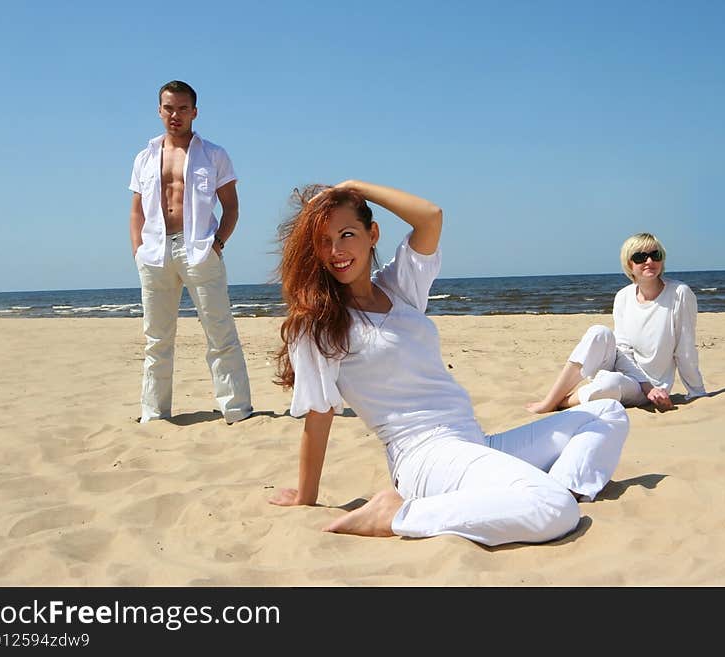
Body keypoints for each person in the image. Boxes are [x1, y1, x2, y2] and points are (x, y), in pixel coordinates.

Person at [268, 180, 629, 546]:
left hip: (473, 441)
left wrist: (353, 187)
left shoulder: (399, 287)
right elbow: (319, 414)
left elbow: (430, 218)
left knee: (606, 414)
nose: (336, 251)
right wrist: (305, 496)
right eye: (324, 241)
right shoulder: (320, 323)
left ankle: (565, 486)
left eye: (347, 234)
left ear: (372, 233)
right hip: (424, 458)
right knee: (554, 510)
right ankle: (396, 514)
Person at [128, 80, 253, 424]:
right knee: (157, 339)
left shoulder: (213, 154)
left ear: (194, 112)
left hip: (198, 249)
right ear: (159, 111)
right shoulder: (144, 157)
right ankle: (154, 414)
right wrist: (138, 249)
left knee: (220, 333)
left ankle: (237, 410)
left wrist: (217, 244)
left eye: (183, 108)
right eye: (169, 108)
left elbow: (231, 208)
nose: (176, 115)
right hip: (155, 253)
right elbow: (136, 210)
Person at [526, 232, 707, 415]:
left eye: (655, 255)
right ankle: (550, 400)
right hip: (623, 368)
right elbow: (622, 348)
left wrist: (696, 392)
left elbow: (685, 349)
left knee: (611, 384)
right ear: (629, 264)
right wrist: (643, 384)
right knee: (599, 332)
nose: (649, 261)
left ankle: (562, 403)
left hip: (652, 388)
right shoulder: (623, 296)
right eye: (640, 257)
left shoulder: (679, 294)